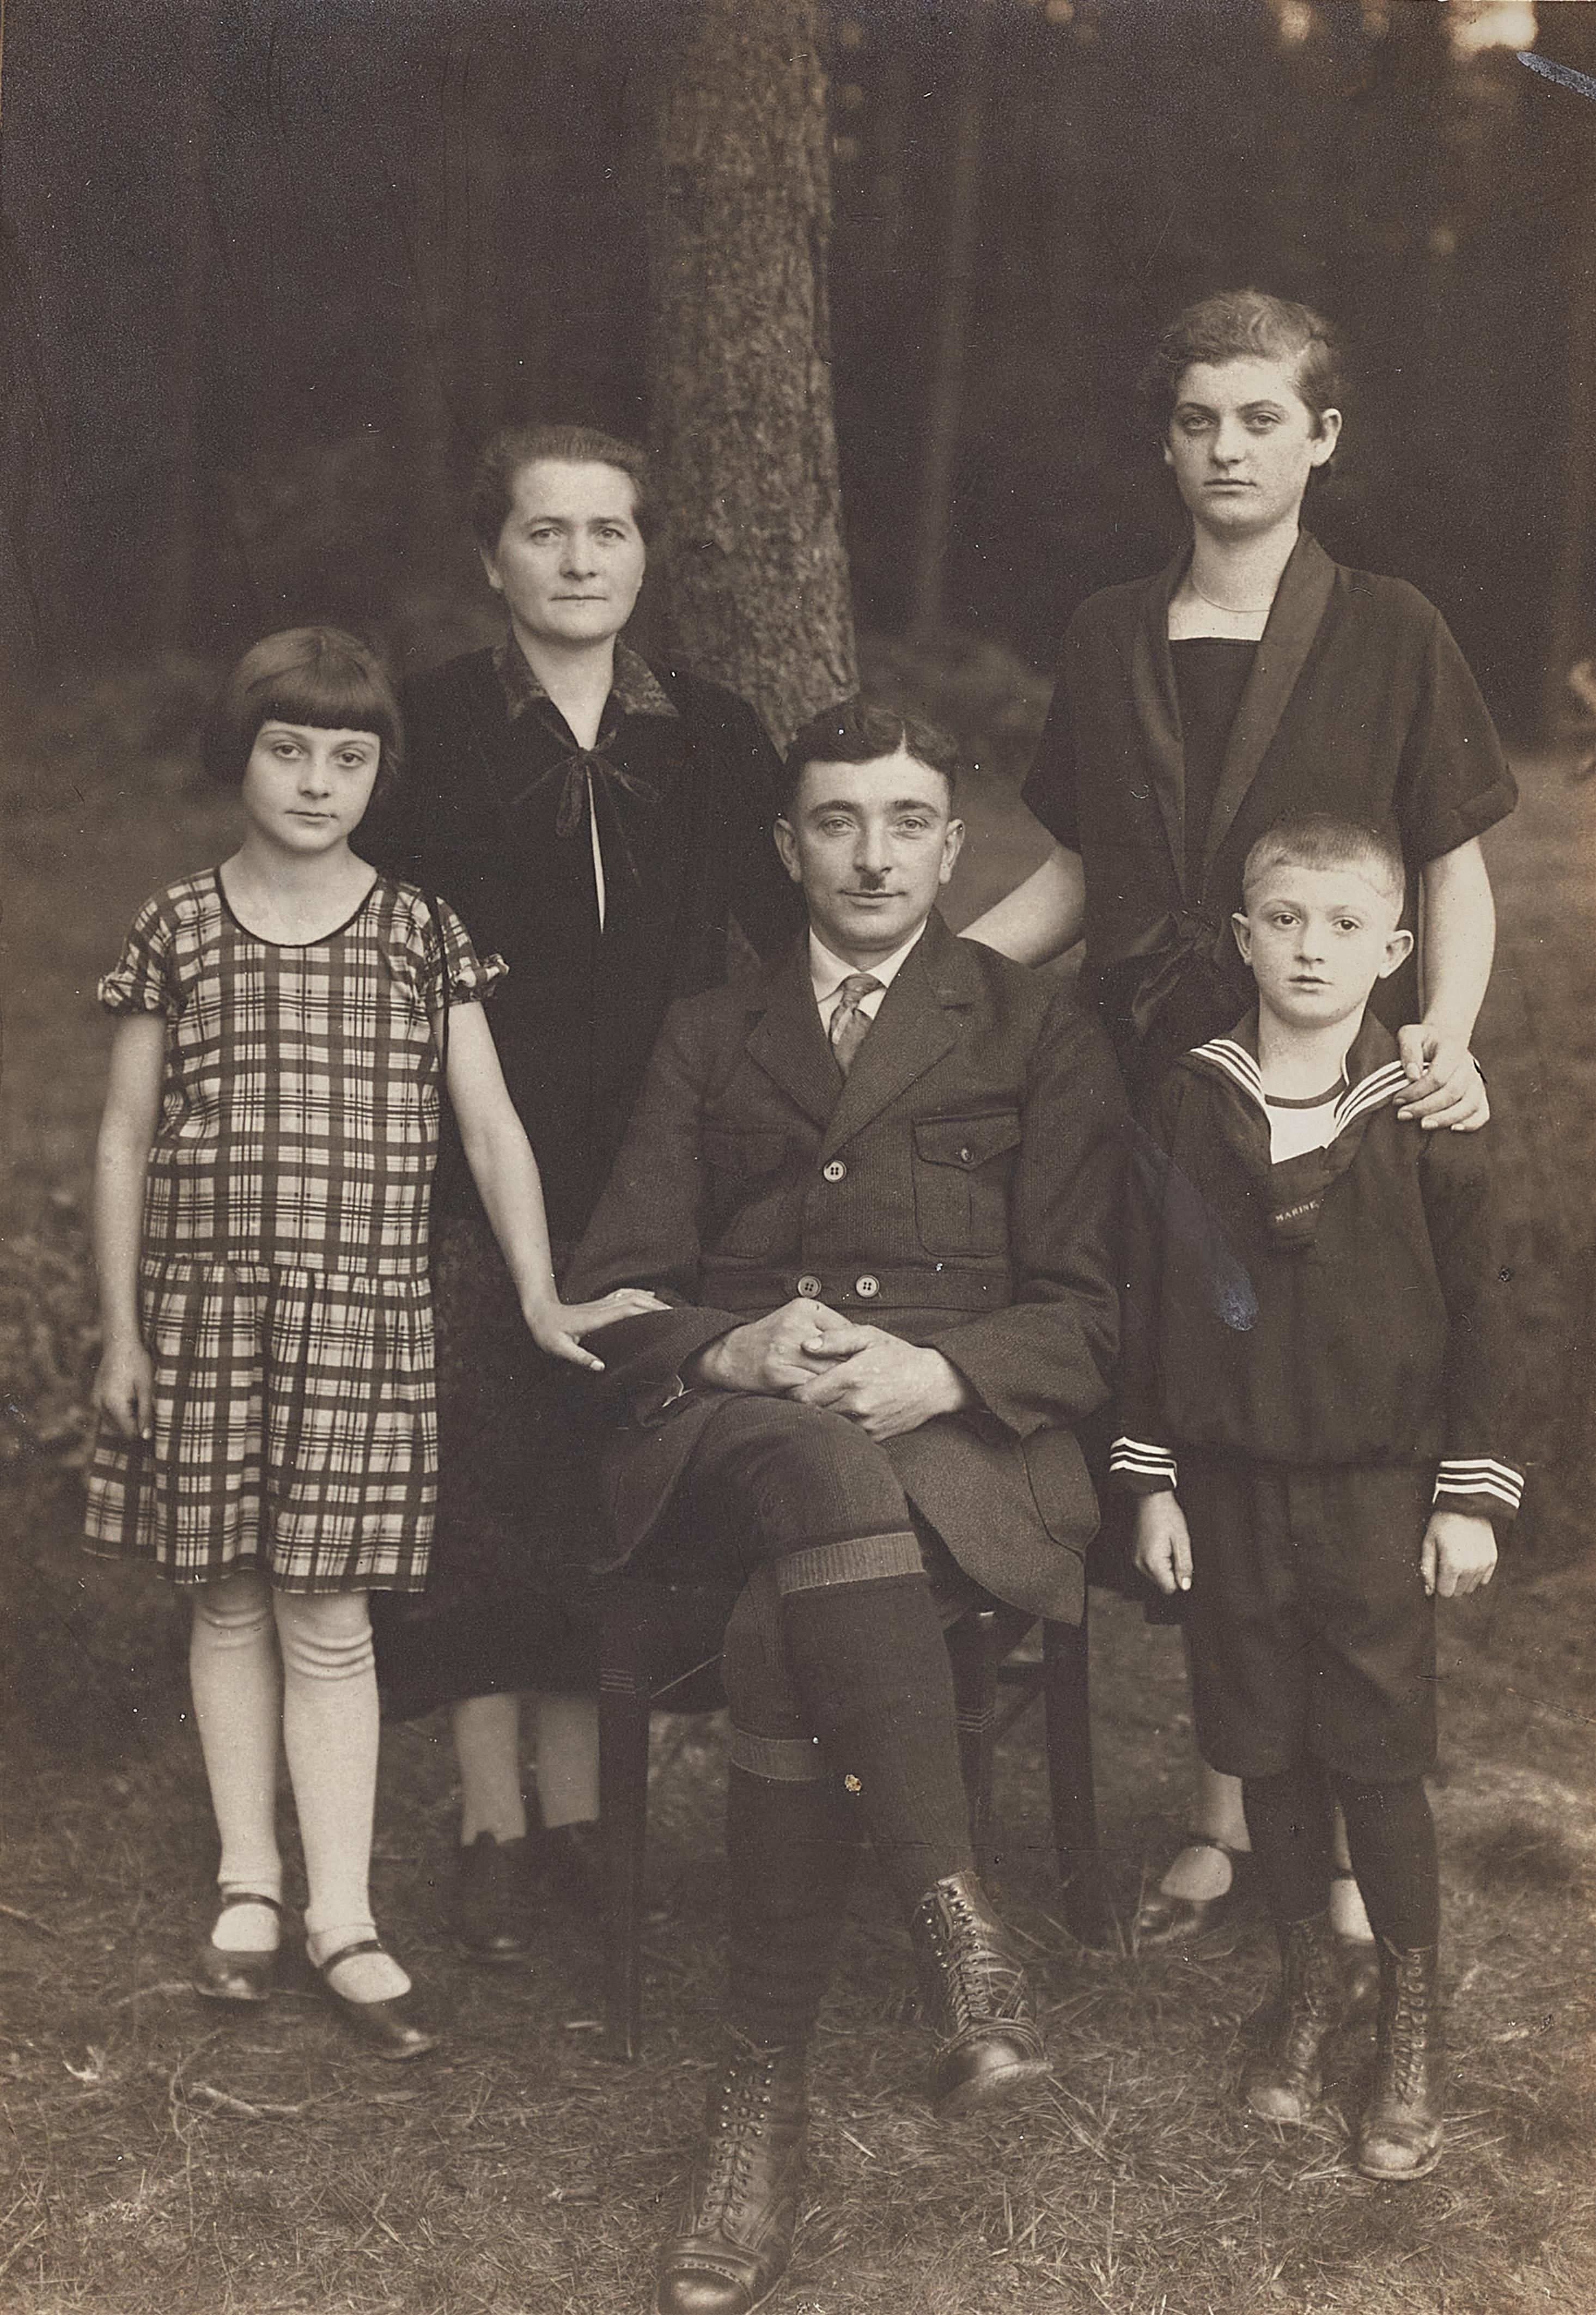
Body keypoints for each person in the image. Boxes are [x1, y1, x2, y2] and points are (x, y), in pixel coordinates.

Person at [960, 289, 1516, 1958]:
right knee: (1203, 1421)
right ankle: (1225, 1811)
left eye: (1261, 418)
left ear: (1321, 440)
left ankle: (1349, 1836)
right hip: (1161, 1091)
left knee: (1331, 1433)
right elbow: (1073, 875)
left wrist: (1445, 1038)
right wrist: (934, 980)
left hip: (1336, 1084)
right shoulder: (1108, 630)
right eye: (1198, 420)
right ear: (1165, 442)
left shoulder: (1392, 627)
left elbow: (1451, 868)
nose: (1226, 450)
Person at [566, 698, 1125, 2315]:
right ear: (786, 844)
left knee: (775, 1629)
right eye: (834, 820)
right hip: (735, 1436)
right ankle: (960, 1927)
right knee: (802, 1464)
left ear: (955, 848)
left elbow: (1089, 1314)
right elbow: (610, 1292)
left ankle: (760, 2099)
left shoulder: (1034, 1026)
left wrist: (941, 1378)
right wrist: (730, 1340)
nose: (870, 854)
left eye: (903, 821)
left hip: (957, 1439)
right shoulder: (712, 1028)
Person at [83, 628, 657, 2058]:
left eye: (349, 758)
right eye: (290, 750)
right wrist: (120, 1331)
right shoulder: (178, 927)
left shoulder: (418, 931)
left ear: (380, 774)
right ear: (242, 755)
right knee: (226, 1598)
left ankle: (342, 1910)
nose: (318, 781)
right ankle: (249, 1883)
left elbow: (490, 1127)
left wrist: (533, 1291)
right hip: (206, 1317)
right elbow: (123, 1137)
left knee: (330, 1616)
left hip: (363, 1321)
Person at [362, 422, 801, 1961]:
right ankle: (490, 1826)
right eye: (543, 532)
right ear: (493, 557)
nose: (576, 559)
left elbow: (784, 933)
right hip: (468, 1157)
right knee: (480, 1485)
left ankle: (580, 1823)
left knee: (600, 1481)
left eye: (607, 532)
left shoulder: (711, 732)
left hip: (657, 1168)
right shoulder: (424, 730)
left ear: (644, 556)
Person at [1114, 813, 1520, 2179]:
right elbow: (1151, 1294)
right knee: (1265, 1745)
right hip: (1228, 1492)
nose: (1310, 947)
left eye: (1345, 925)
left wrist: (1465, 1493)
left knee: (1374, 1754)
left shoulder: (1425, 1108)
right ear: (1240, 936)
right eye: (1282, 918)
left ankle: (1406, 2010)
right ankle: (1306, 1984)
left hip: (1372, 1492)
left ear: (1396, 950)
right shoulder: (1191, 1094)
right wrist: (1153, 1475)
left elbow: (1494, 1311)